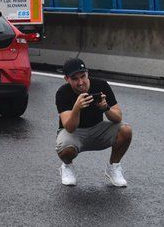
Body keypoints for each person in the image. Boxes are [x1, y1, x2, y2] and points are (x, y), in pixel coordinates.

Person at [55, 58, 133, 187]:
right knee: (66, 150)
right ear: (66, 79)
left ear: (87, 73)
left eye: (83, 76)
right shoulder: (63, 92)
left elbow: (118, 117)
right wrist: (77, 108)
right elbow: (69, 127)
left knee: (125, 130)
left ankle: (113, 167)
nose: (80, 82)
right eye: (75, 79)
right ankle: (67, 167)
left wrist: (106, 108)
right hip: (74, 132)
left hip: (98, 129)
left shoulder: (101, 85)